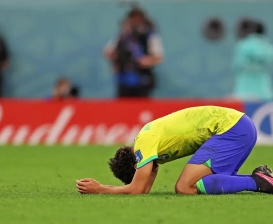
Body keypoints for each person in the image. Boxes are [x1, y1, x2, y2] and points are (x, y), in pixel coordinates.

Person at [76, 106, 273, 195]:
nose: (151, 175)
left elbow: (137, 188)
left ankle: (258, 182)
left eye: (143, 172)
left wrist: (100, 188)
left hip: (231, 128)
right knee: (209, 185)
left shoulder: (144, 144)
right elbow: (142, 189)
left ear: (137, 164)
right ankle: (261, 178)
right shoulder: (148, 142)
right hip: (239, 125)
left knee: (185, 187)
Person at [103, 7, 164, 98]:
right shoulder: (122, 36)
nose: (135, 22)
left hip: (142, 78)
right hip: (124, 78)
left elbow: (159, 57)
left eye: (138, 19)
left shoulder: (149, 36)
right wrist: (117, 58)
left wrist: (145, 61)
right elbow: (108, 52)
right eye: (133, 19)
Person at [232, 22, 273, 101]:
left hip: (244, 89)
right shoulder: (268, 48)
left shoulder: (243, 45)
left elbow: (236, 66)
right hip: (264, 89)